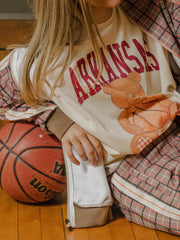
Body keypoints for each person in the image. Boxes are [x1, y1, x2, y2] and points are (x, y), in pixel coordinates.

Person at [0, 0, 180, 235]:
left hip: (174, 129)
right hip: (131, 165)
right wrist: (59, 121)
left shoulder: (152, 10)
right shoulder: (44, 62)